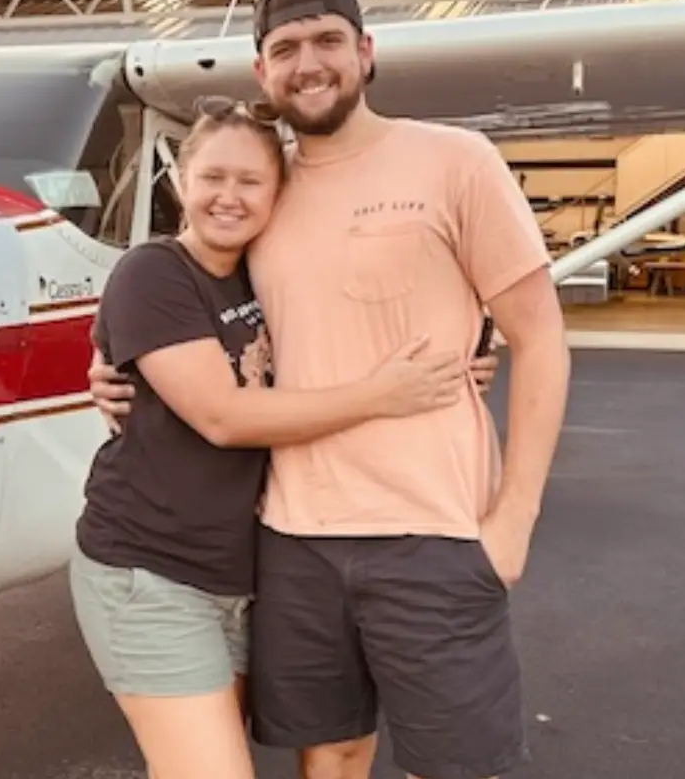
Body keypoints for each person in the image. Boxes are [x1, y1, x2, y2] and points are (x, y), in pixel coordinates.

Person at [88, 0, 571, 779]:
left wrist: (513, 521)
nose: (308, 63)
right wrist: (103, 365)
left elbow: (542, 338)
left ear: (366, 51)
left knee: (459, 766)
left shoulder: (456, 161)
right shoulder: (264, 195)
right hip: (292, 539)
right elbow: (199, 311)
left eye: (327, 41)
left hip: (434, 531)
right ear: (261, 69)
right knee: (336, 752)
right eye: (287, 49)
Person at [69, 95, 481, 779]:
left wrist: (469, 357)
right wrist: (384, 395)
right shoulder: (154, 272)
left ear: (278, 193)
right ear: (181, 183)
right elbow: (223, 416)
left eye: (251, 182)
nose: (229, 197)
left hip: (241, 577)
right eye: (213, 178)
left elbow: (365, 324)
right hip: (150, 572)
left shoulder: (267, 275)